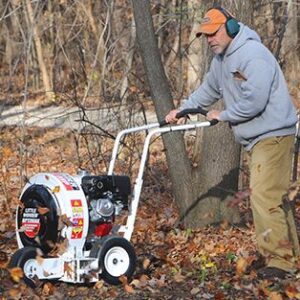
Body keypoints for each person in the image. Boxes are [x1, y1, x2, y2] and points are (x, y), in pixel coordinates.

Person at [165, 7, 299, 280]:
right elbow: (208, 91)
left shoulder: (253, 55)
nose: (210, 39)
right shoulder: (221, 61)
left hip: (273, 134)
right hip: (259, 137)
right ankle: (289, 258)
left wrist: (223, 115)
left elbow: (255, 100)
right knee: (274, 197)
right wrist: (184, 110)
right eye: (205, 35)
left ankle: (281, 264)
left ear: (232, 27)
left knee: (263, 196)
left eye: (213, 33)